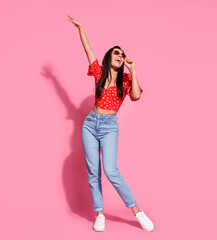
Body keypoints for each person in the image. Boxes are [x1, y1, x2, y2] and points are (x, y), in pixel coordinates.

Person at [68, 15, 154, 232]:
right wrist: (81, 28)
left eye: (122, 54)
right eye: (116, 52)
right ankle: (99, 214)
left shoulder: (125, 81)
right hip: (89, 125)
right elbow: (87, 50)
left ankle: (137, 212)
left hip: (108, 127)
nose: (120, 55)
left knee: (110, 170)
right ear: (109, 57)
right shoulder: (99, 73)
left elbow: (136, 95)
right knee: (93, 171)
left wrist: (133, 71)